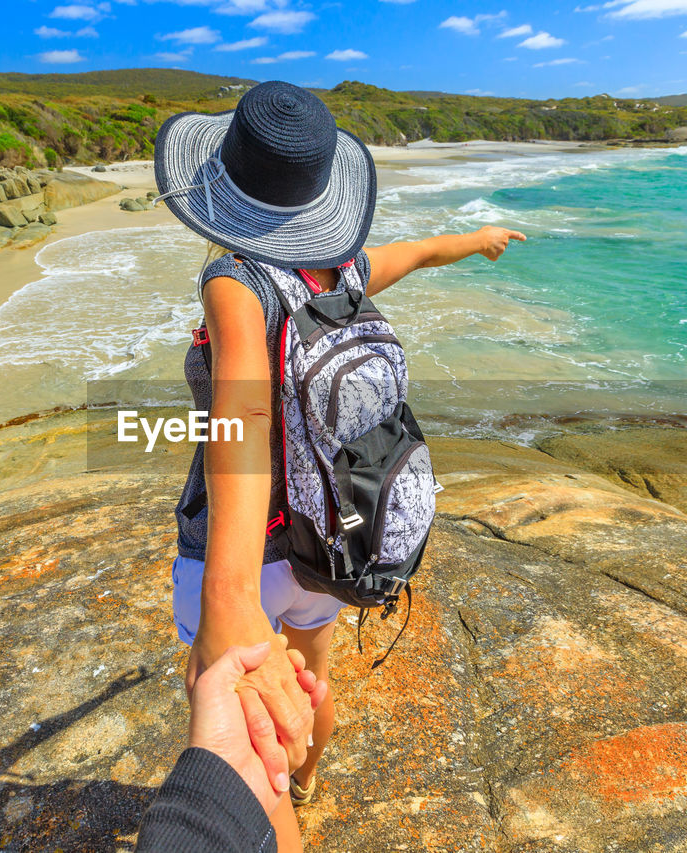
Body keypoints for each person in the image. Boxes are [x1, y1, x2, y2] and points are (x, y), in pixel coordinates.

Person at [153, 80, 524, 851]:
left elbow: (245, 413)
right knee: (311, 674)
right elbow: (418, 253)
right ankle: (313, 772)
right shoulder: (343, 269)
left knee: (236, 730)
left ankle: (280, 807)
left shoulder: (234, 281)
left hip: (250, 548)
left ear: (224, 185)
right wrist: (479, 239)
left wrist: (226, 593)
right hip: (331, 534)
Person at [136, 642, 327, 853]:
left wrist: (223, 784)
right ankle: (303, 783)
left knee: (265, 729)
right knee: (312, 672)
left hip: (234, 614)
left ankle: (294, 784)